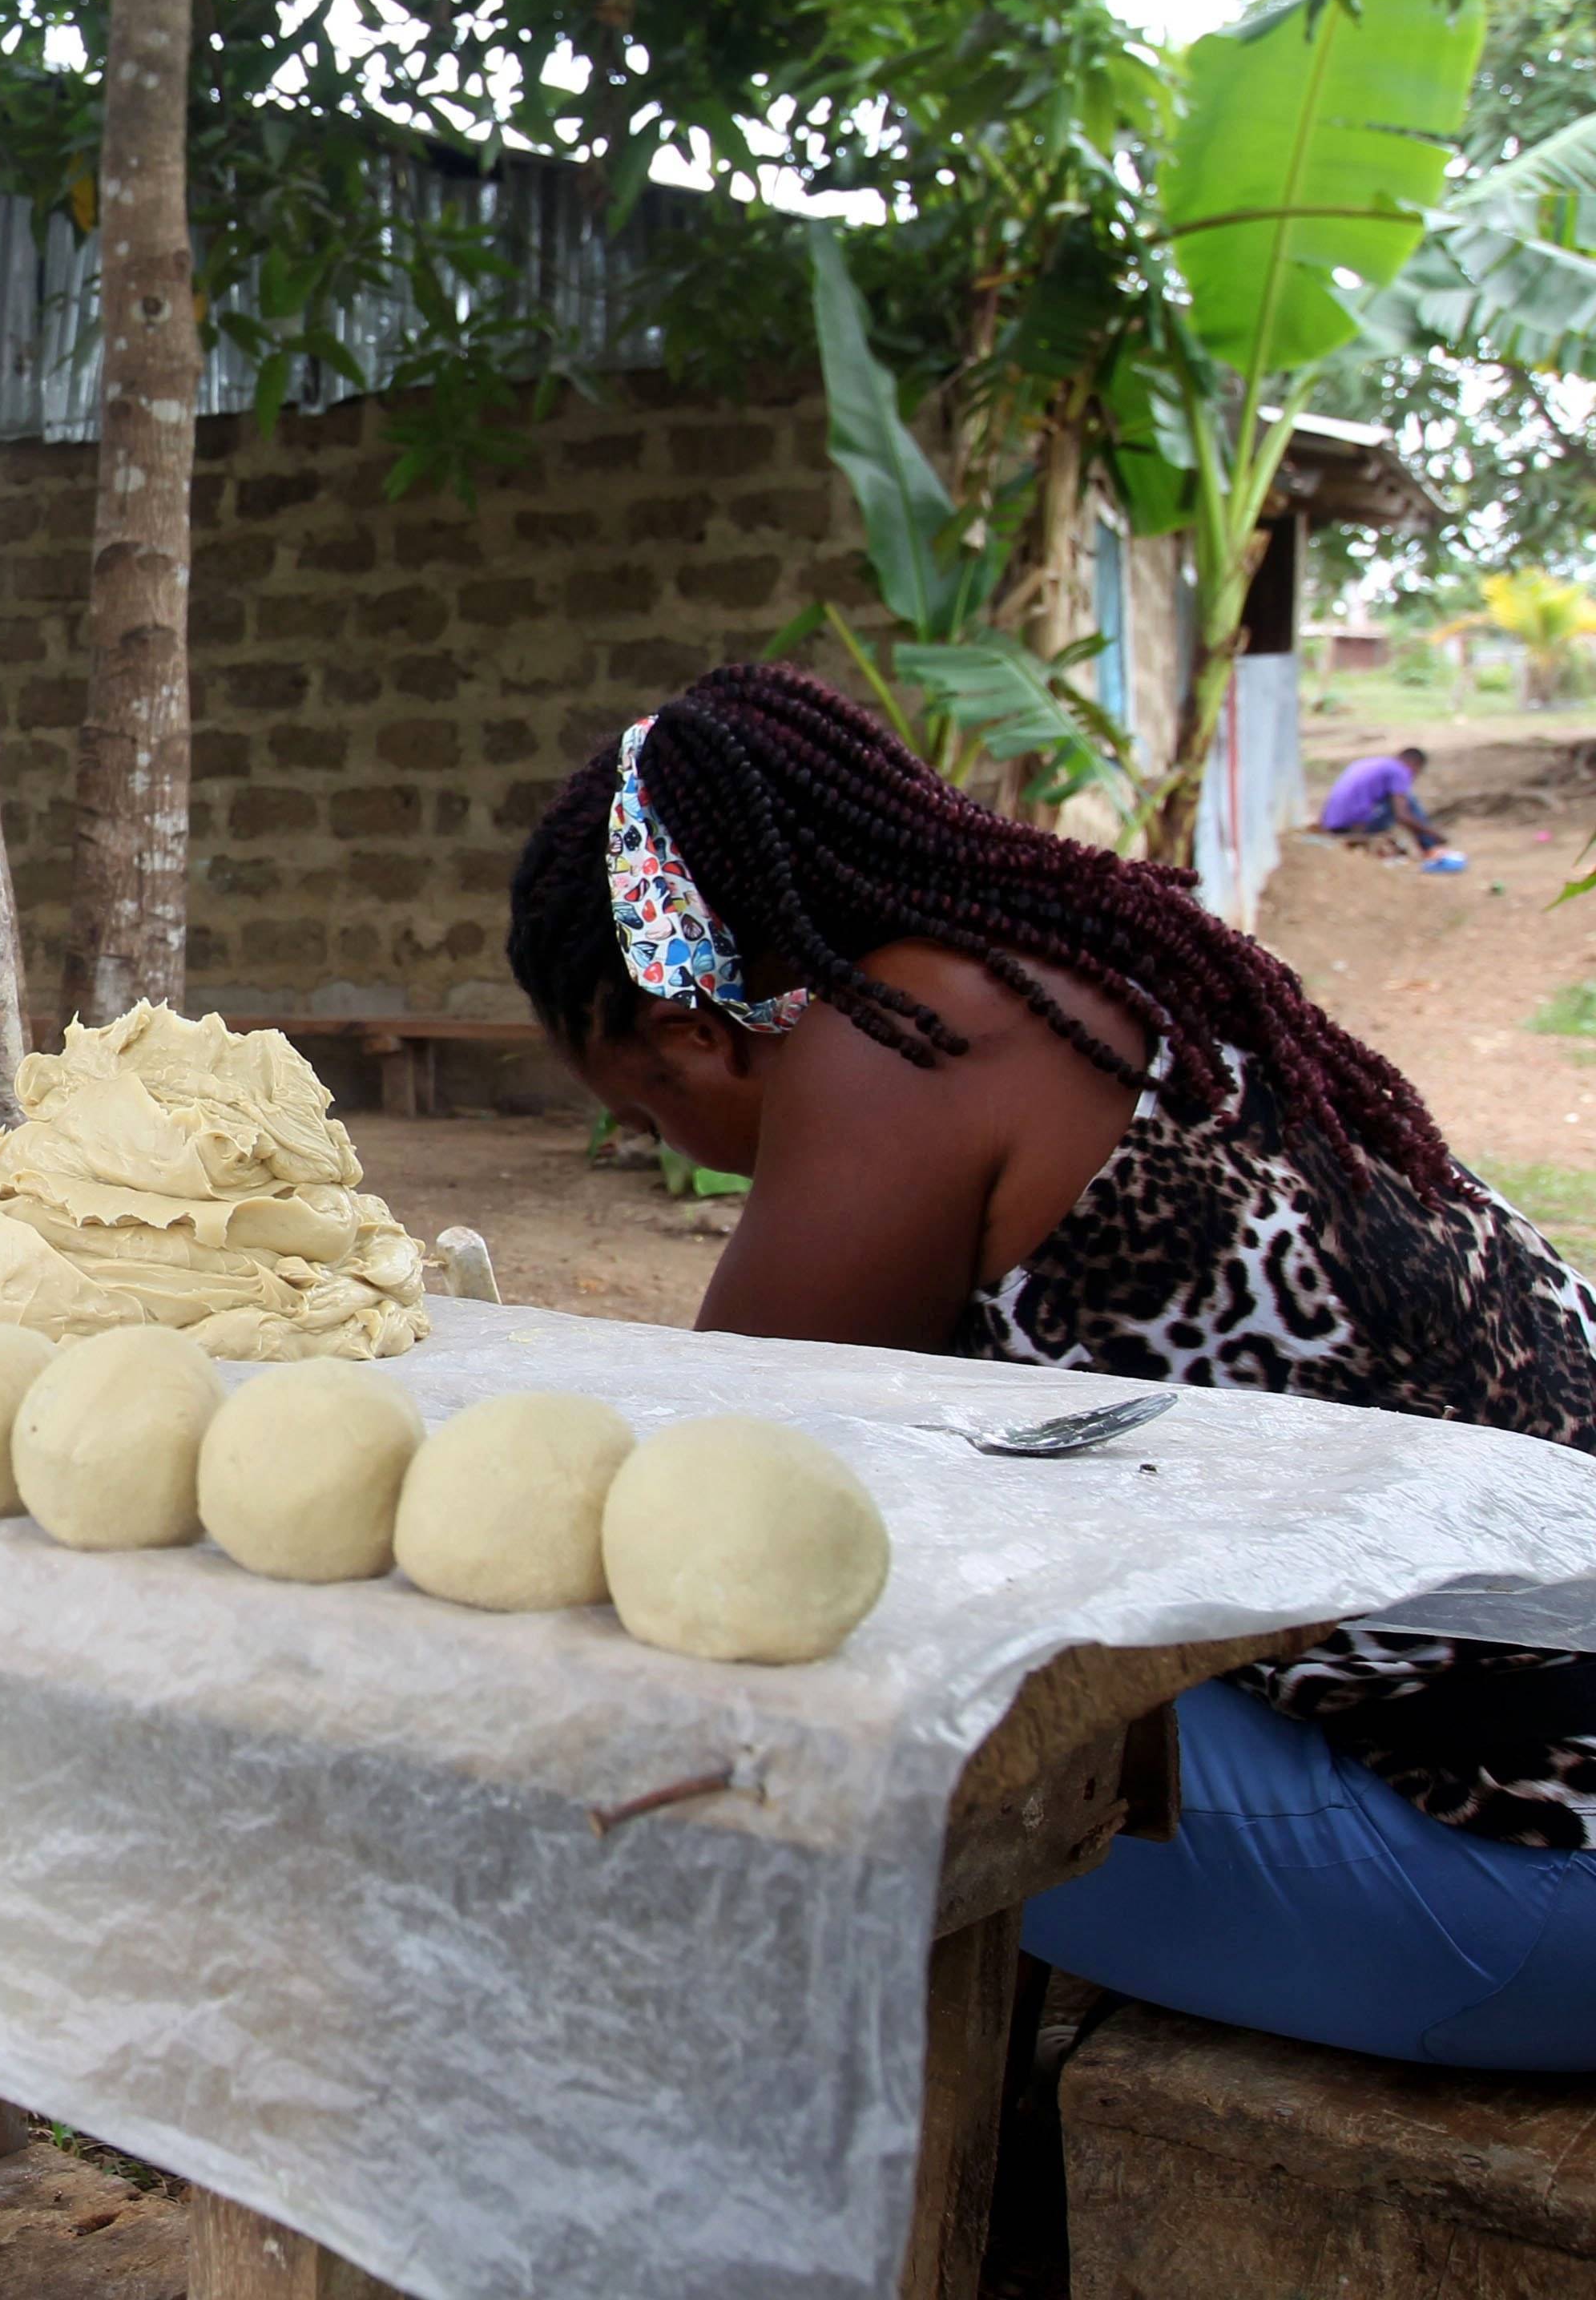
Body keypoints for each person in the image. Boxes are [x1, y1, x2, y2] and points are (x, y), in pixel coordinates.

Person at [503, 664, 1596, 2067]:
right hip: (1543, 1804)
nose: (674, 1145)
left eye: (648, 1110)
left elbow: (708, 1490)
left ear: (688, 1031)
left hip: (1526, 1876)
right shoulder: (1080, 973)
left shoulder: (901, 1049)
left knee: (723, 1739)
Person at [1319, 744, 1446, 853]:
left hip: (1331, 824)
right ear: (1415, 766)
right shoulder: (1399, 770)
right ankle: (1431, 848)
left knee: (1394, 799)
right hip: (1351, 827)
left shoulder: (1371, 763)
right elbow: (1402, 816)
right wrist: (1432, 833)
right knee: (1408, 801)